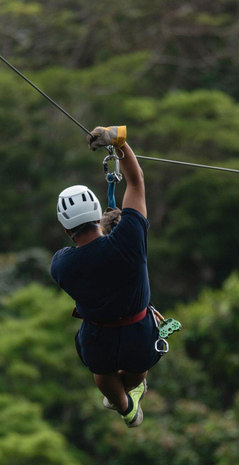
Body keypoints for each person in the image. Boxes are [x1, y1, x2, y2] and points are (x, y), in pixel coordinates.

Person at [50, 125, 159, 428]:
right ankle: (131, 394)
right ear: (99, 213)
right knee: (138, 372)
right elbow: (136, 183)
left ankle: (125, 408)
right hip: (140, 334)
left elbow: (88, 258)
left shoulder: (62, 265)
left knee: (103, 375)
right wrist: (119, 142)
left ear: (66, 229)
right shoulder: (130, 239)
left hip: (99, 341)